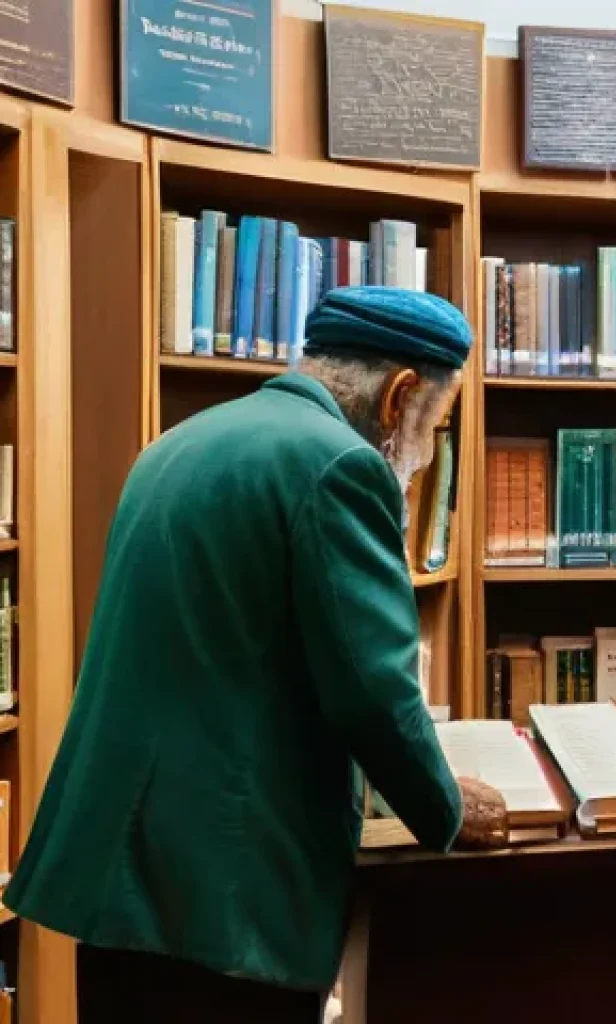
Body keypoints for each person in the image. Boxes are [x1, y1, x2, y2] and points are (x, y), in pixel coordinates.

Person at [3, 286, 507, 1023]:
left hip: (118, 871)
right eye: (437, 422)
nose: (428, 453)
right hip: (226, 888)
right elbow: (372, 688)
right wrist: (446, 807)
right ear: (401, 395)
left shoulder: (179, 441)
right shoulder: (341, 465)